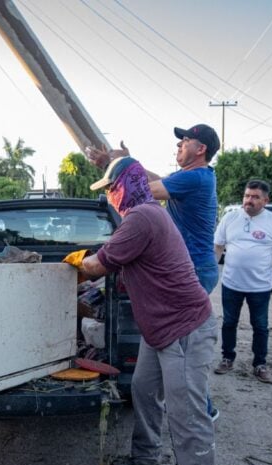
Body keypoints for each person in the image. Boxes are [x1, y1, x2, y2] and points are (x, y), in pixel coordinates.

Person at [71, 156, 219, 465]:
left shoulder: (142, 218)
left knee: (188, 423)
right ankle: (146, 455)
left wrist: (75, 262)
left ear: (128, 184)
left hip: (184, 330)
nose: (110, 196)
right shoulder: (145, 216)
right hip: (162, 330)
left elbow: (98, 266)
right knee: (142, 388)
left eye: (110, 188)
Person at [86, 124, 221, 417]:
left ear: (201, 149)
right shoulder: (192, 178)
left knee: (183, 341)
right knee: (173, 341)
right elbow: (152, 181)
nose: (178, 146)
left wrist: (115, 166)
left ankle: (202, 410)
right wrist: (127, 165)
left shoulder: (196, 178)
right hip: (196, 264)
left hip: (193, 267)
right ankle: (175, 394)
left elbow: (140, 189)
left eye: (184, 142)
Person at [213, 179, 272, 384]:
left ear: (266, 200)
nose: (249, 200)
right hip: (231, 283)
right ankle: (227, 358)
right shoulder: (230, 218)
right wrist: (212, 270)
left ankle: (260, 364)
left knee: (260, 326)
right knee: (229, 322)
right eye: (247, 196)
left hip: (260, 286)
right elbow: (218, 246)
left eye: (255, 197)